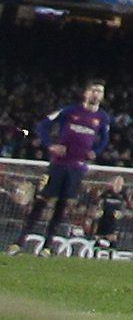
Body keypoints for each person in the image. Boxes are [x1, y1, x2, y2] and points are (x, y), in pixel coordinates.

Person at [17, 81, 110, 253]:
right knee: (42, 201)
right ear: (86, 93)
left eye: (100, 91)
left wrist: (95, 151)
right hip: (59, 164)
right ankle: (20, 241)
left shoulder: (102, 117)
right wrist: (50, 145)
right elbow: (42, 125)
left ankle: (48, 246)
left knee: (62, 206)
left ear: (102, 96)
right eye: (93, 90)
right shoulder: (70, 111)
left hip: (77, 168)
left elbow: (104, 138)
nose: (96, 94)